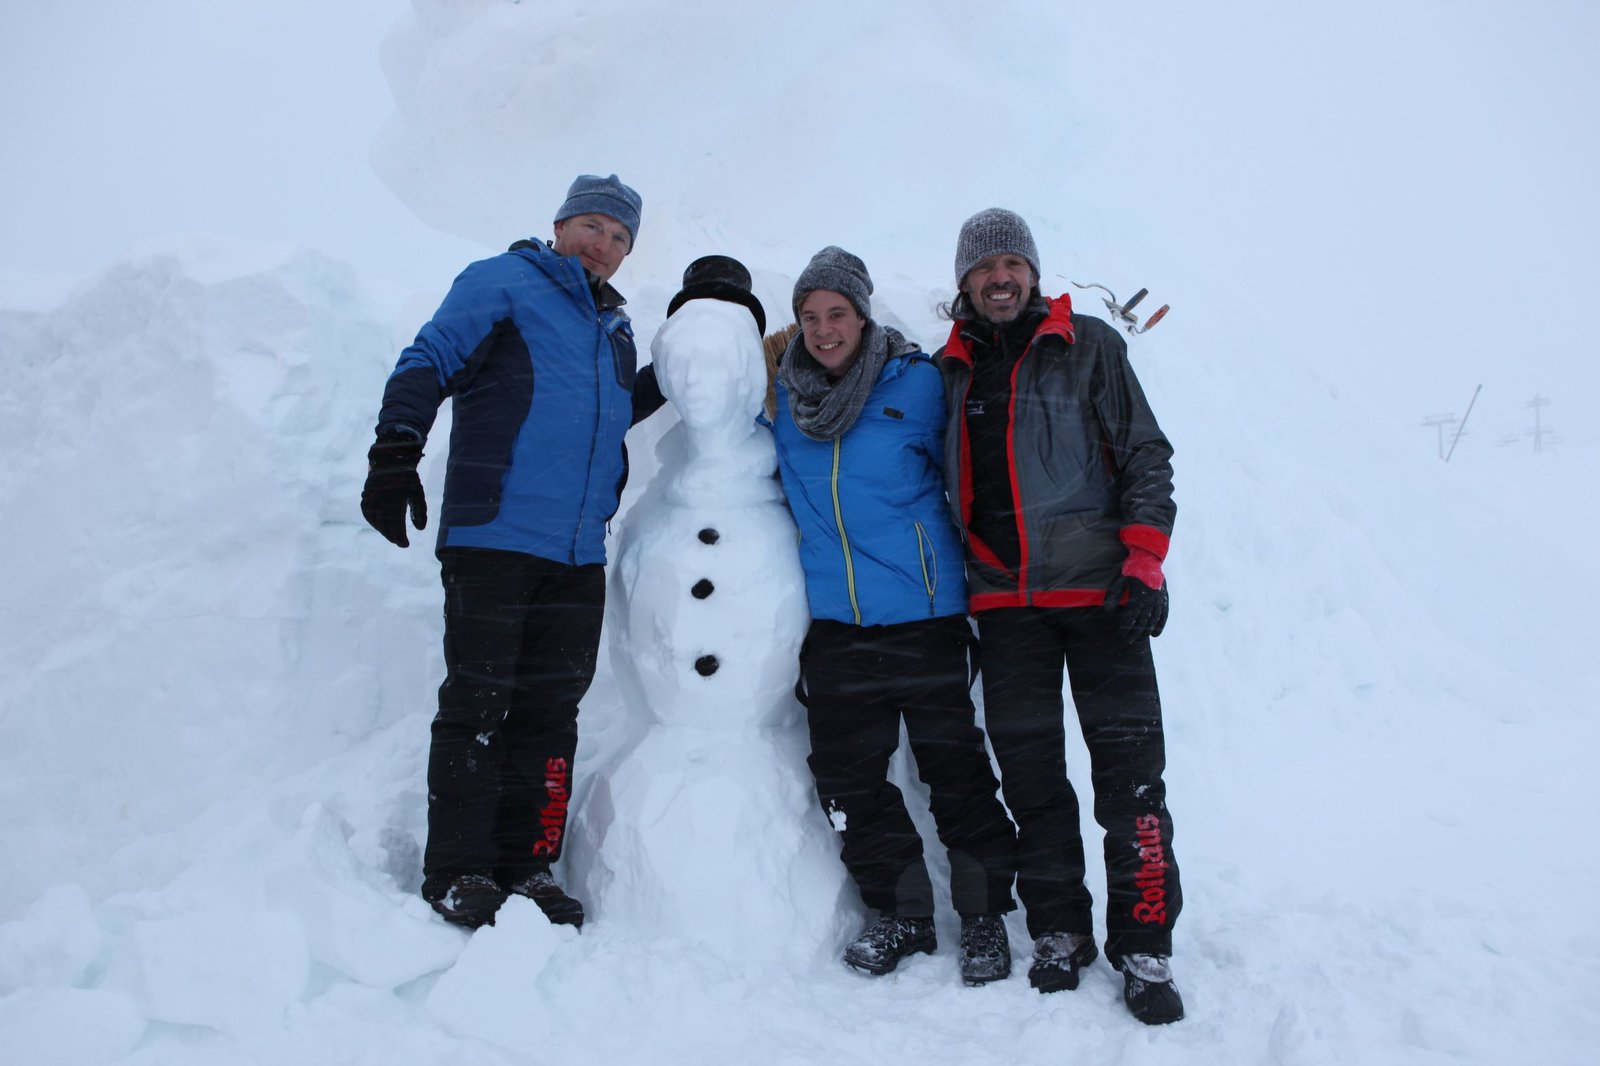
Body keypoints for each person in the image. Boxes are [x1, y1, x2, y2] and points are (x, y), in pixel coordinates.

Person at [359, 174, 663, 930]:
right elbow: (431, 355)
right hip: (494, 535)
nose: (604, 245)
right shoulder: (504, 281)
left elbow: (611, 412)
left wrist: (693, 351)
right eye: (593, 226)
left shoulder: (613, 330)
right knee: (480, 705)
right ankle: (458, 869)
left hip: (577, 553)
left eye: (620, 238)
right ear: (561, 225)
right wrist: (395, 449)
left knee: (551, 714)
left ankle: (528, 865)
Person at [934, 208, 1185, 1024]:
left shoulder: (1090, 346)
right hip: (1006, 609)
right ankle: (1059, 928)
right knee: (1033, 781)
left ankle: (1144, 941)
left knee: (1131, 783)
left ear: (1033, 273)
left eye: (1012, 262)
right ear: (965, 282)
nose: (999, 277)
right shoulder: (950, 371)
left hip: (1105, 600)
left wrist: (1144, 560)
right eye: (984, 267)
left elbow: (1145, 452)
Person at [770, 246, 1019, 986]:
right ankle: (901, 912)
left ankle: (983, 917)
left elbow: (974, 472)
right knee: (847, 780)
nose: (823, 329)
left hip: (925, 614)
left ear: (863, 314)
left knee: (956, 773)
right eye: (809, 316)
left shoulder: (917, 382)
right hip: (837, 624)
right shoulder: (784, 397)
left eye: (837, 313)